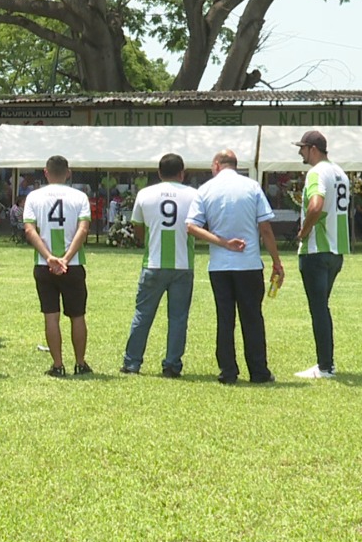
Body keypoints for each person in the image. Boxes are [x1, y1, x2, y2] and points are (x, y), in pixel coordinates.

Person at [186, 149, 285, 384]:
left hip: (220, 265)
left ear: (217, 165)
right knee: (252, 318)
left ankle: (228, 371)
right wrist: (276, 261)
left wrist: (223, 242)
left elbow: (191, 227)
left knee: (225, 318)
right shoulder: (251, 187)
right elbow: (266, 229)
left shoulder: (206, 189)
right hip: (249, 264)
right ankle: (258, 371)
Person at [120, 153, 198, 377]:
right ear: (182, 173)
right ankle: (172, 365)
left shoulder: (145, 194)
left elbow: (138, 228)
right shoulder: (193, 195)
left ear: (159, 173)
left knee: (143, 314)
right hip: (182, 264)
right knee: (178, 317)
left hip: (153, 263)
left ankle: (132, 362)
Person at [22, 154, 92, 376]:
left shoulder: (34, 197)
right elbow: (83, 229)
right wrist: (66, 258)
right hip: (73, 264)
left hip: (44, 265)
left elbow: (29, 230)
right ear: (68, 172)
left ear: (46, 172)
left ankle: (57, 365)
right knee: (77, 315)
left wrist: (49, 256)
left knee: (51, 315)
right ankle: (80, 363)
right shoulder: (80, 197)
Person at [292, 130, 350, 380]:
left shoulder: (316, 173)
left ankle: (325, 366)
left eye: (302, 148)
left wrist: (303, 231)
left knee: (318, 309)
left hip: (317, 249)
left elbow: (315, 205)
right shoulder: (341, 173)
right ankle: (326, 363)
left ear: (313, 149)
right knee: (322, 308)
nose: (300, 153)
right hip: (337, 249)